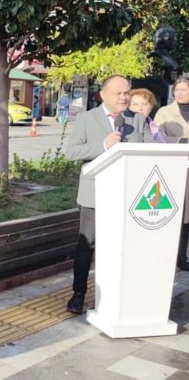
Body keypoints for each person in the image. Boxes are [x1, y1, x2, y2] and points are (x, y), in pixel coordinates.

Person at [64, 75, 155, 314]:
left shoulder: (138, 120)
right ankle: (79, 293)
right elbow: (70, 151)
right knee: (87, 245)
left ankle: (121, 294)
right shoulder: (86, 118)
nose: (125, 97)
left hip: (128, 195)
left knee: (123, 246)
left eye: (127, 92)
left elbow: (151, 153)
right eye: (119, 93)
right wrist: (104, 146)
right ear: (103, 95)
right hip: (94, 193)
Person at [154, 76, 189, 270]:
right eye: (177, 90)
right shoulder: (165, 112)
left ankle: (182, 255)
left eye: (184, 89)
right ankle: (167, 254)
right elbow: (156, 136)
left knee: (187, 216)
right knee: (174, 212)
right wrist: (182, 142)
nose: (180, 93)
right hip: (172, 168)